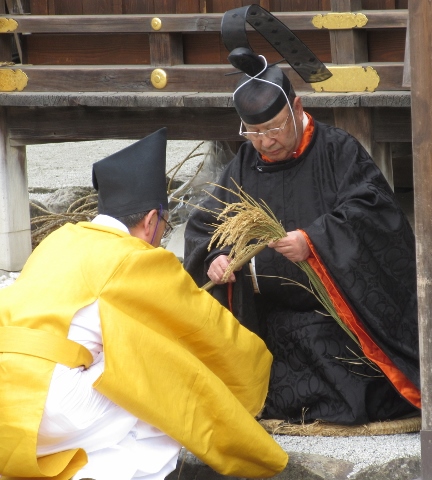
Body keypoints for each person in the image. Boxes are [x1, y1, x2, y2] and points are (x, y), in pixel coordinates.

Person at [0, 128, 287, 480]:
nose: (161, 234)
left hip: (8, 403)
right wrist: (258, 367)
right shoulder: (132, 256)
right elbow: (203, 322)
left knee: (112, 345)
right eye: (164, 225)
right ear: (152, 220)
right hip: (49, 405)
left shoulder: (59, 239)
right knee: (158, 385)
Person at [184, 42, 421, 425]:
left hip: (335, 314)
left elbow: (373, 214)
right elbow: (207, 223)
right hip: (266, 316)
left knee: (342, 365)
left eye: (274, 128)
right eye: (254, 133)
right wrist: (216, 258)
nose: (266, 141)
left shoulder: (337, 151)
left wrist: (313, 241)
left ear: (297, 109)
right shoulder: (245, 164)